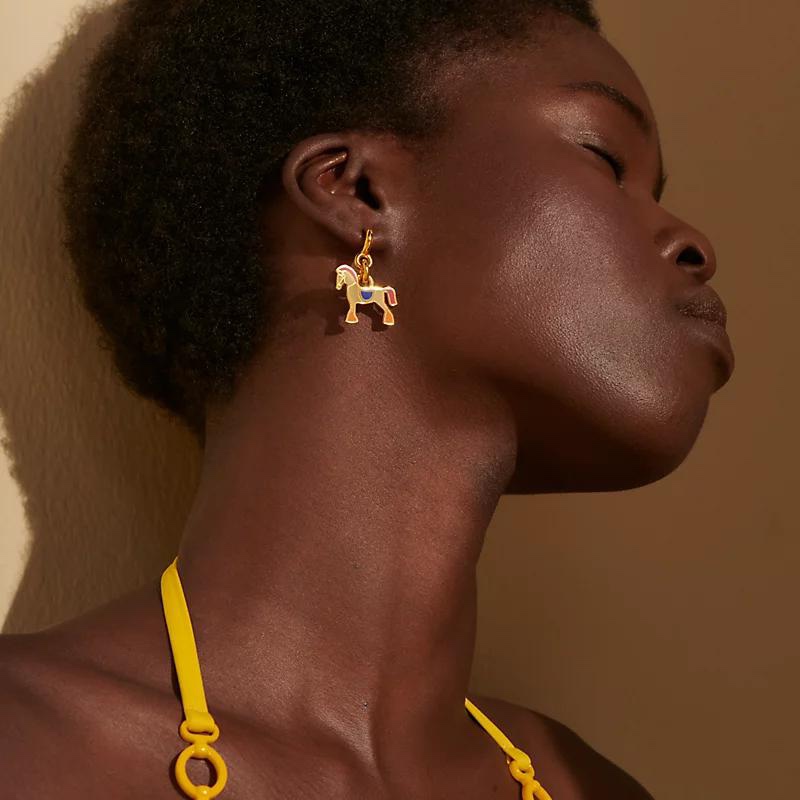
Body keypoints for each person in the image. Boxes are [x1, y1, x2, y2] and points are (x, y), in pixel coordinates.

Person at [1, 0, 734, 797]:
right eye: (605, 158)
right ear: (357, 191)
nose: (694, 243)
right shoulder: (26, 743)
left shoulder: (590, 786)